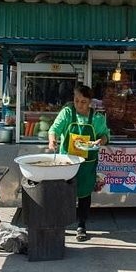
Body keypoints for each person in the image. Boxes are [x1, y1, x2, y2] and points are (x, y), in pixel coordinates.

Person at [47, 84, 109, 242]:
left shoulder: (97, 118)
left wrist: (100, 141)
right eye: (76, 100)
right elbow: (54, 129)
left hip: (87, 163)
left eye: (83, 101)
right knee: (64, 193)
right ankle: (60, 223)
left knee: (84, 194)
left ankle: (81, 225)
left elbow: (105, 136)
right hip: (67, 161)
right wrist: (52, 141)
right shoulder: (67, 113)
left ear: (90, 102)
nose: (79, 105)